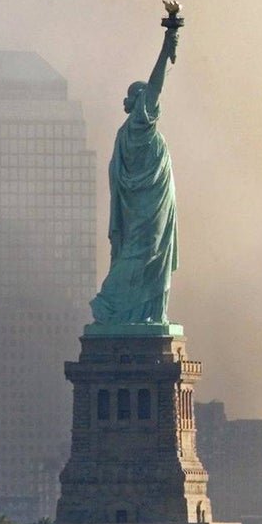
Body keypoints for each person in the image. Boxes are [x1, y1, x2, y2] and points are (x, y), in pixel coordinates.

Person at [90, 26, 180, 324]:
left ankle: (144, 314)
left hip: (151, 208)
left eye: (130, 95)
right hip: (137, 209)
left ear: (141, 101)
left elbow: (155, 85)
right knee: (138, 258)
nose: (124, 101)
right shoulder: (129, 131)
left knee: (149, 259)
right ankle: (123, 312)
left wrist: (167, 47)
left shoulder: (141, 124)